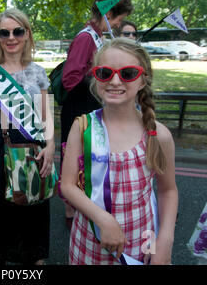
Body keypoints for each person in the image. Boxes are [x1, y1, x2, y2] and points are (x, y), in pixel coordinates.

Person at [60, 38, 178, 265]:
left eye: (128, 73)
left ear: (143, 80)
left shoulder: (158, 135)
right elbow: (67, 185)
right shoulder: (82, 127)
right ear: (95, 77)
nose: (115, 81)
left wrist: (165, 242)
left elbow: (167, 191)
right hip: (89, 240)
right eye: (105, 73)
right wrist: (102, 219)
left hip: (142, 241)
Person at [0, 9, 55, 265]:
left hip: (31, 142)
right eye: (4, 32)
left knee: (32, 204)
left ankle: (33, 258)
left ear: (27, 34)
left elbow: (46, 116)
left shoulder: (38, 72)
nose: (11, 37)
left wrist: (50, 146)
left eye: (17, 31)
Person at [61, 0, 134, 229]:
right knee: (77, 164)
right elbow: (70, 79)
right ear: (108, 15)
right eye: (119, 20)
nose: (118, 26)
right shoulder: (85, 38)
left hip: (89, 107)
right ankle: (73, 221)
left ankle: (86, 213)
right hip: (79, 110)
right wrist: (103, 76)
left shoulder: (97, 36)